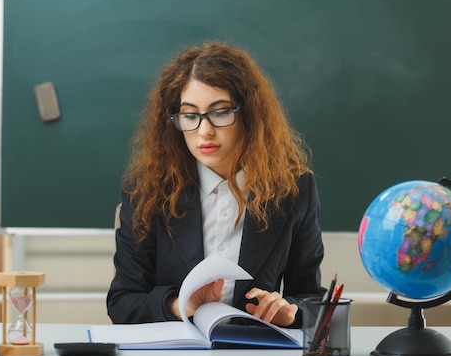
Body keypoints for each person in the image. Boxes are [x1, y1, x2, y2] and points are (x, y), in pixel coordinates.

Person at [107, 41, 325, 328]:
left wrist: (291, 311)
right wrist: (179, 304)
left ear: (249, 115)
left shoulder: (293, 189)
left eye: (220, 112)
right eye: (189, 115)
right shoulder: (148, 188)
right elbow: (122, 302)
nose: (204, 130)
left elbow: (313, 300)